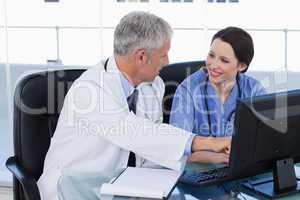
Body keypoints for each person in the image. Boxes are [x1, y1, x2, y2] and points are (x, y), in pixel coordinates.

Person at [37, 11, 231, 200]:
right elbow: (132, 130)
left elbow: (151, 142)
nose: (167, 61)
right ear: (141, 57)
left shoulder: (154, 85)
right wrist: (207, 142)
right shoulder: (90, 89)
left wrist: (200, 156)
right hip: (76, 187)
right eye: (163, 55)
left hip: (127, 184)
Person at [170, 26, 266, 164]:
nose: (213, 65)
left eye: (224, 60)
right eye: (211, 55)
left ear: (242, 66)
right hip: (197, 172)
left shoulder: (254, 90)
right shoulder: (188, 89)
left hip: (240, 170)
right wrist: (216, 157)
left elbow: (264, 142)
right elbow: (175, 149)